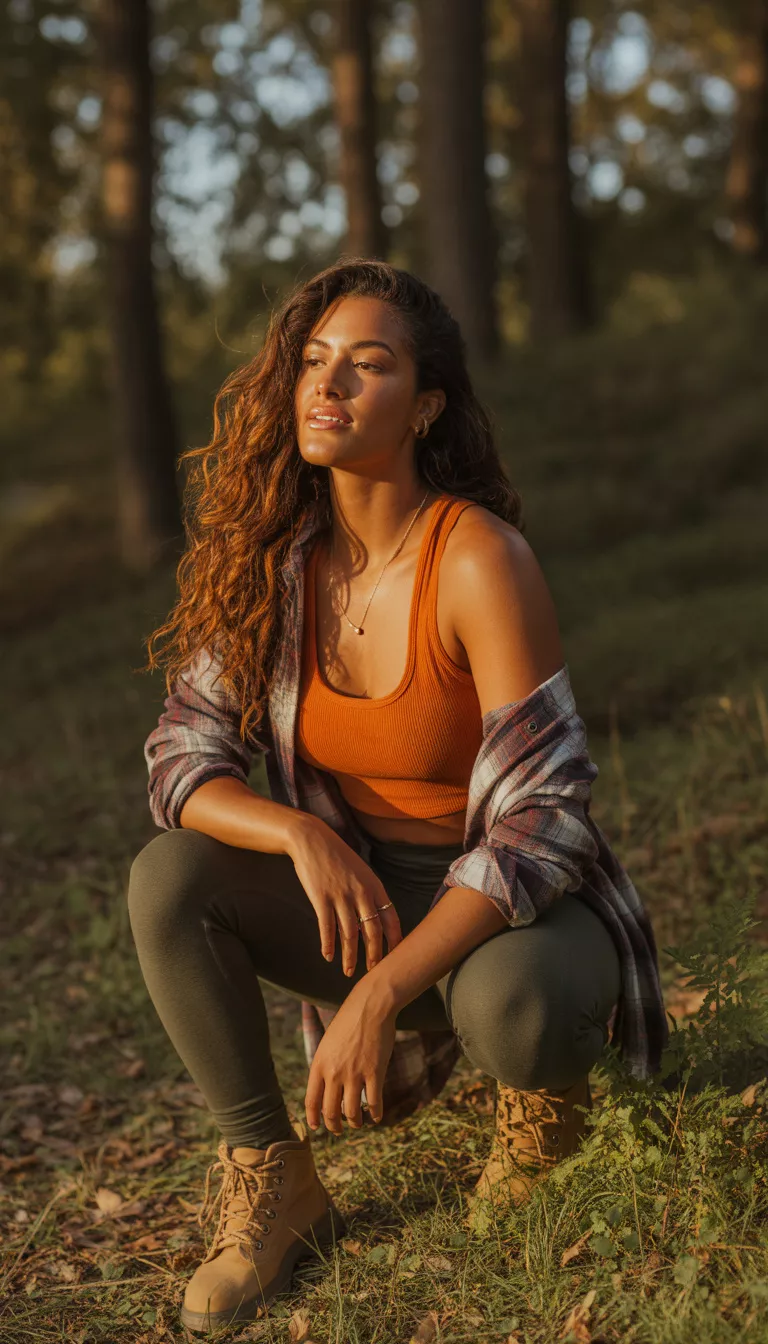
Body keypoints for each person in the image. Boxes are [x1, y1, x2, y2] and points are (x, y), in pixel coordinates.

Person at [128, 259, 667, 1334]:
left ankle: (541, 1107)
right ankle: (276, 1184)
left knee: (508, 1006)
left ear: (424, 407)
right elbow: (181, 756)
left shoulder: (479, 561)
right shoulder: (273, 568)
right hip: (361, 897)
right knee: (170, 880)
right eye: (316, 363)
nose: (329, 386)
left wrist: (376, 998)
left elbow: (546, 819)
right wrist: (296, 834)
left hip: (513, 912)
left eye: (368, 367)